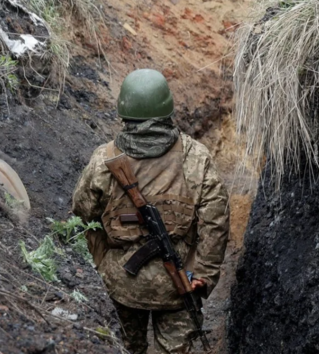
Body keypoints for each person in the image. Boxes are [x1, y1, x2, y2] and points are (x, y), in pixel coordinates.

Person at [71, 69, 229, 354]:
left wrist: (100, 263)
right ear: (168, 108)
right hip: (179, 287)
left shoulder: (103, 161)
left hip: (120, 284)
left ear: (124, 111)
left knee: (125, 347)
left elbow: (82, 216)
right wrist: (203, 276)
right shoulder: (196, 158)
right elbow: (215, 223)